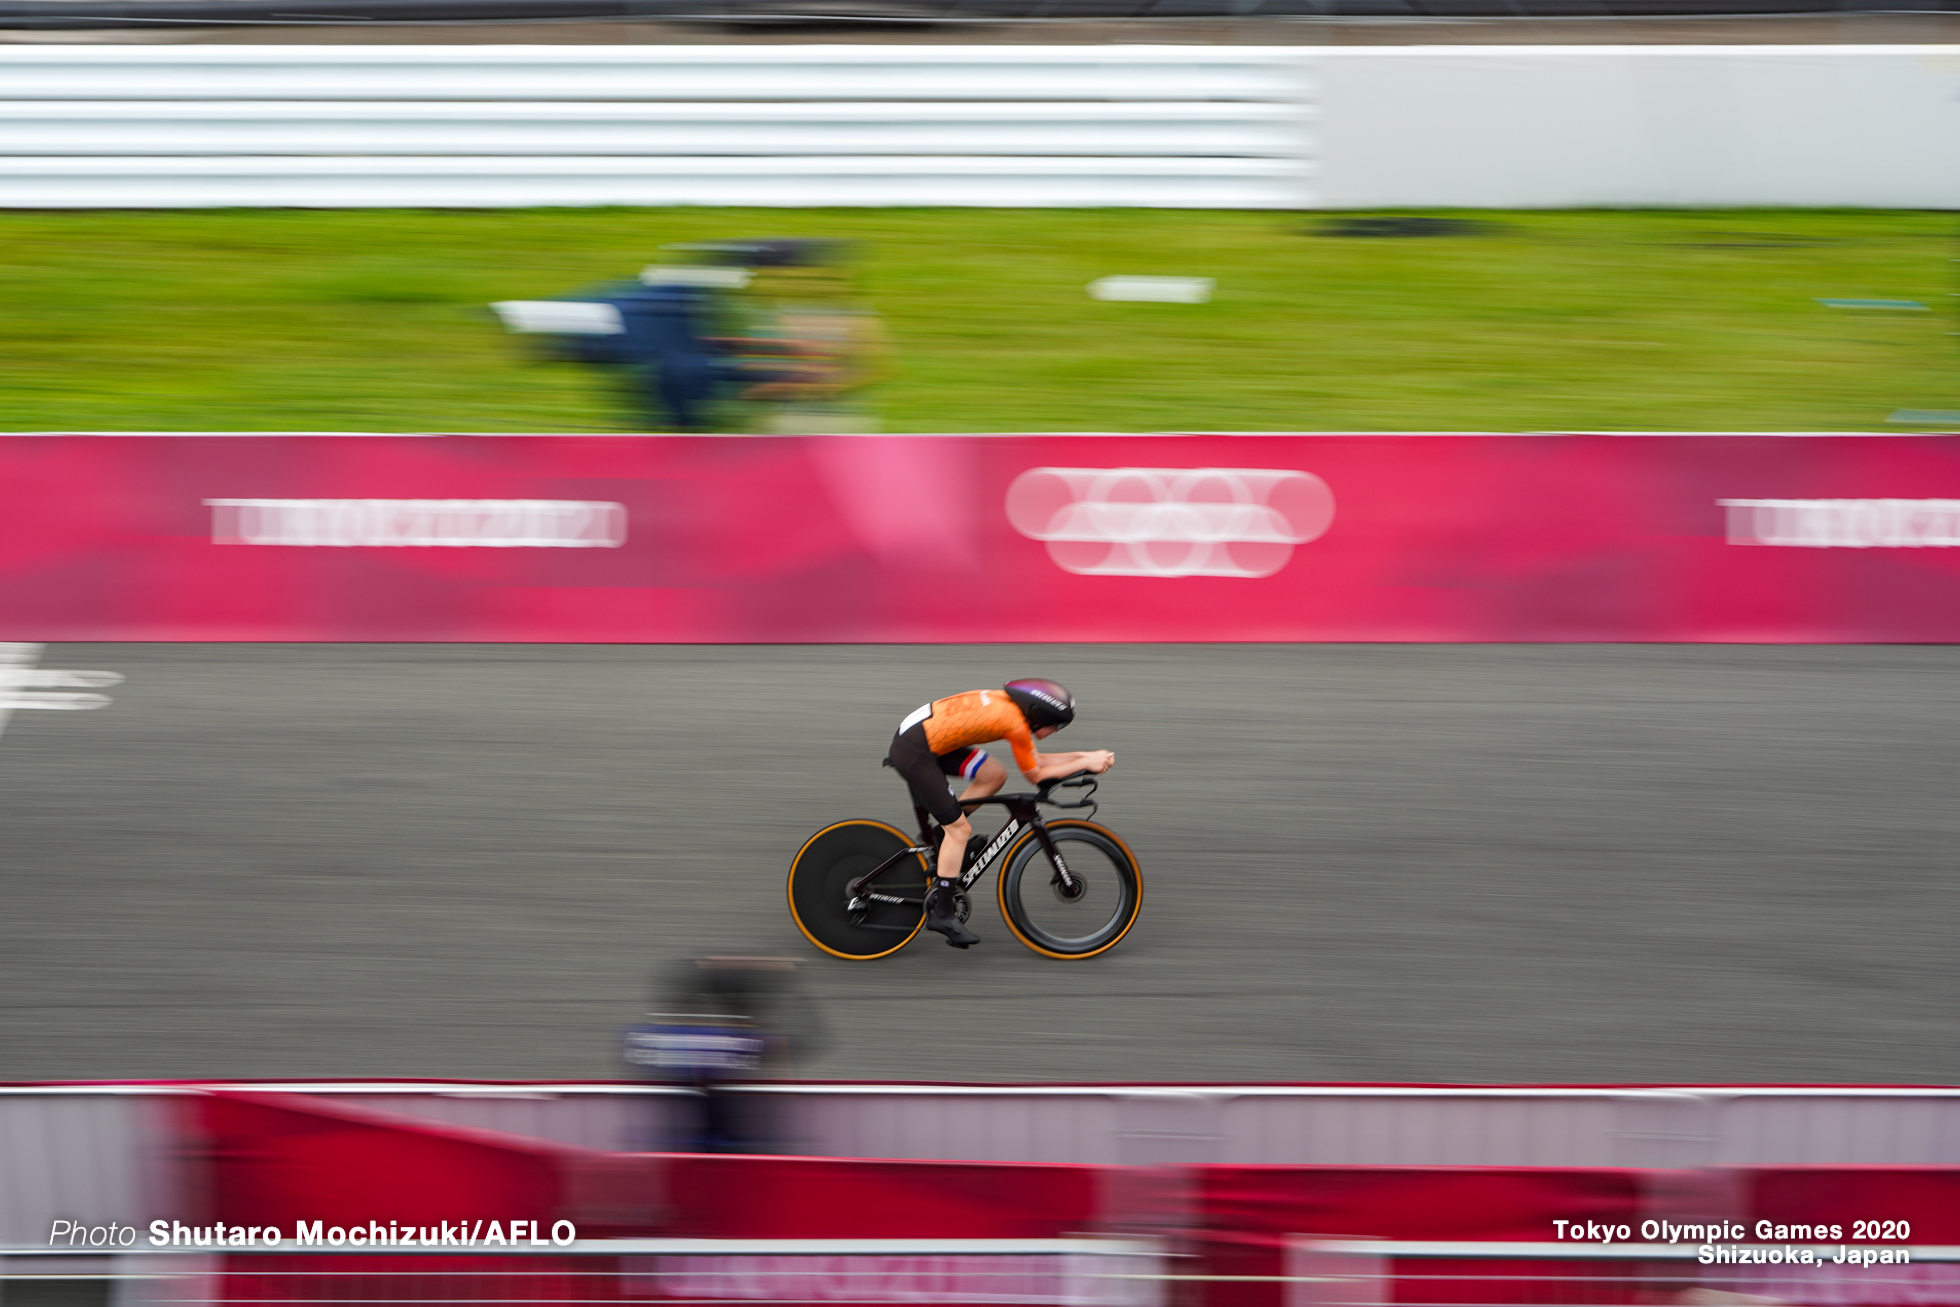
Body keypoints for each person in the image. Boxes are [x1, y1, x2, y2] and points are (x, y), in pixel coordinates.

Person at [886, 679, 1115, 949]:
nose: (1057, 730)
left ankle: (940, 837)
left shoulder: (1010, 708)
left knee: (994, 774)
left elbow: (1036, 759)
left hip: (923, 738)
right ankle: (942, 914)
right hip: (916, 752)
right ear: (1039, 715)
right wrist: (1085, 762)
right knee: (959, 830)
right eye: (1057, 724)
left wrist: (1086, 756)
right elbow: (1036, 774)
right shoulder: (1014, 724)